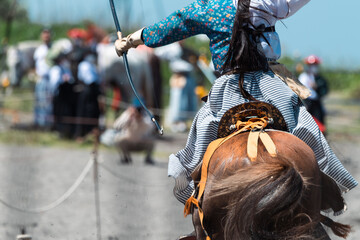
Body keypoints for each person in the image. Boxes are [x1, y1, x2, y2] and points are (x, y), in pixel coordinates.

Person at [114, 0, 357, 208]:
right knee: (304, 123)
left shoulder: (205, 9)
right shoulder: (264, 2)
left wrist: (129, 41)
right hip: (270, 83)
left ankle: (193, 190)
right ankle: (331, 184)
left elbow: (165, 30)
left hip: (227, 85)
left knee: (203, 126)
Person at [299, 55, 328, 130]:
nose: (312, 67)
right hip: (305, 102)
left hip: (316, 103)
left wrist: (317, 87)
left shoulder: (320, 79)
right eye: (311, 65)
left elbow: (324, 91)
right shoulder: (303, 76)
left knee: (319, 124)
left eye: (314, 65)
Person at [33, 28, 52, 129]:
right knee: (39, 102)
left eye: (48, 33)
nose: (46, 36)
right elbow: (36, 65)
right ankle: (39, 123)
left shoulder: (52, 48)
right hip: (40, 79)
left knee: (48, 103)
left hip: (49, 79)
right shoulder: (39, 49)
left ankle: (47, 124)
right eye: (44, 33)